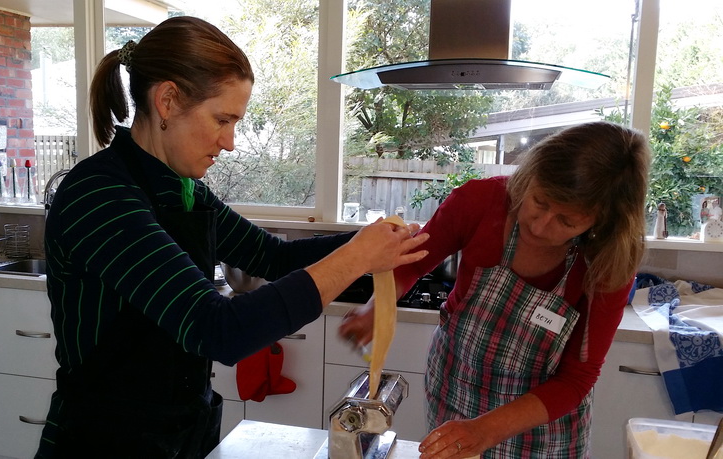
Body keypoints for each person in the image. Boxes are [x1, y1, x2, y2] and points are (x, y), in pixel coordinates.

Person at [35, 16, 429, 459]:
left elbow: (273, 257)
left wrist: (371, 242)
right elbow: (217, 329)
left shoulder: (184, 190)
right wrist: (355, 258)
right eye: (222, 119)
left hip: (181, 433)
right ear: (167, 100)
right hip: (105, 442)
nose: (230, 142)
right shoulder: (100, 195)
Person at [339, 121, 650, 458]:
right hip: (455, 391)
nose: (540, 225)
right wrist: (377, 309)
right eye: (540, 201)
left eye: (566, 221)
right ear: (530, 175)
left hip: (540, 425)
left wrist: (485, 430)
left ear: (601, 222)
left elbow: (577, 378)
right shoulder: (480, 202)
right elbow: (413, 263)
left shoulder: (607, 262)